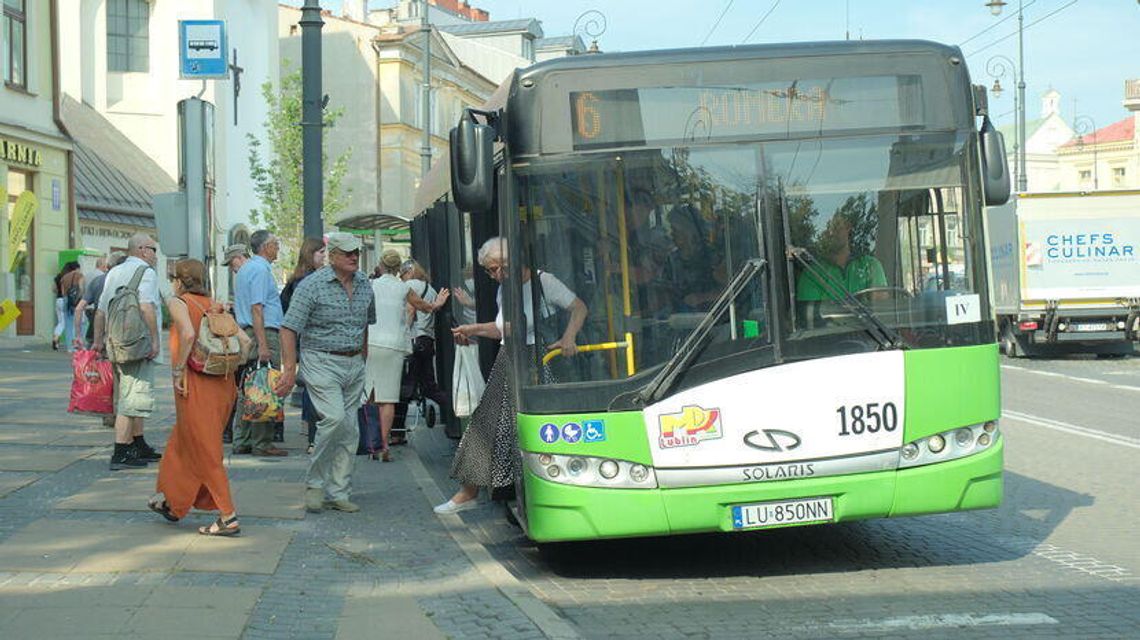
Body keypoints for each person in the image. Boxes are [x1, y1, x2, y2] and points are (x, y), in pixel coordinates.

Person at [436, 237, 586, 514]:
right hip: (511, 357)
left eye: (499, 268)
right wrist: (474, 331)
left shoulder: (544, 281)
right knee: (490, 423)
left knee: (502, 425)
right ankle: (474, 490)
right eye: (491, 270)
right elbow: (504, 329)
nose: (496, 275)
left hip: (539, 358)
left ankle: (474, 492)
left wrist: (568, 337)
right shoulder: (504, 289)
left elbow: (579, 307)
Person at [147, 259, 251, 536]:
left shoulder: (179, 302)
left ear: (179, 280)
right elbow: (247, 343)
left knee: (204, 450)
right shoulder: (213, 304)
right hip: (223, 385)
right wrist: (227, 364)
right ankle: (173, 501)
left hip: (194, 385)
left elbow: (188, 333)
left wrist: (179, 370)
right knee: (184, 441)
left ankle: (227, 516)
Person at [275, 232, 376, 514]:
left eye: (356, 252)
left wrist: (363, 358)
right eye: (347, 253)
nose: (354, 257)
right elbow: (288, 328)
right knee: (333, 418)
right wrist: (290, 369)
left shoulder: (366, 284)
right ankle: (315, 484)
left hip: (354, 362)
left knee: (349, 429)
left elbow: (367, 323)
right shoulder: (312, 286)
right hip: (320, 360)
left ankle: (338, 491)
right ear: (333, 257)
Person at [365, 250, 449, 461]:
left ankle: (371, 443)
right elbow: (425, 308)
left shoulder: (371, 286)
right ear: (398, 268)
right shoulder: (403, 288)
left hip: (371, 343)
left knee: (370, 395)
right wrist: (437, 304)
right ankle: (384, 446)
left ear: (380, 266)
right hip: (394, 346)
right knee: (388, 398)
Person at [94, 233, 163, 470]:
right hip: (137, 342)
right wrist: (155, 340)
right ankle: (121, 451)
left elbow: (101, 310)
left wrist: (98, 341)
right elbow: (146, 307)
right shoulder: (146, 272)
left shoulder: (114, 272)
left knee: (132, 394)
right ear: (143, 250)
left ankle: (138, 443)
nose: (156, 254)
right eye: (154, 249)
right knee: (132, 398)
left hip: (116, 342)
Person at [233, 230, 288, 457]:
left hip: (248, 332)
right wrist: (264, 344)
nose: (278, 248)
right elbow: (258, 308)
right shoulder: (260, 270)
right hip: (262, 332)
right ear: (265, 247)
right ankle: (262, 442)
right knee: (264, 385)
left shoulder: (246, 268)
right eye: (275, 244)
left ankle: (243, 439)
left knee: (248, 386)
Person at [795, 214, 888, 323]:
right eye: (827, 228)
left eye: (836, 226)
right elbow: (812, 321)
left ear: (848, 227)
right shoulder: (811, 274)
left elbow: (881, 312)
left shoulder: (870, 266)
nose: (831, 232)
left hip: (872, 338)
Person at [280, 237, 326, 455]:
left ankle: (311, 433)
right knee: (312, 387)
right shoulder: (307, 281)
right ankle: (312, 436)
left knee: (310, 386)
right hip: (308, 341)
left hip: (304, 341)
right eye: (321, 253)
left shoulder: (297, 279)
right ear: (310, 255)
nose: (324, 258)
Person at [397, 258, 452, 437]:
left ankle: (397, 432)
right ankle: (454, 411)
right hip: (427, 341)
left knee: (405, 388)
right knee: (429, 386)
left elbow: (410, 311)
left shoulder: (409, 285)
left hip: (413, 340)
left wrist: (402, 332)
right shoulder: (431, 288)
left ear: (408, 272)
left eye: (402, 274)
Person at [220, 244, 250, 445]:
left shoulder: (244, 275)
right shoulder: (251, 274)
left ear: (239, 258)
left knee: (237, 384)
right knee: (242, 384)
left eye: (231, 263)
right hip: (246, 332)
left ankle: (231, 430)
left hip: (244, 334)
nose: (232, 268)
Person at [72, 254, 116, 350]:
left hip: (92, 315)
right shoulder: (108, 279)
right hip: (114, 332)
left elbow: (79, 307)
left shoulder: (88, 276)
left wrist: (78, 335)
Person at [54, 262, 83, 351]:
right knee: (76, 323)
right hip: (75, 301)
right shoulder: (79, 275)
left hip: (63, 300)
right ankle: (75, 345)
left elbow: (60, 292)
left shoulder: (62, 277)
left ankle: (68, 346)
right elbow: (81, 288)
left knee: (65, 323)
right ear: (77, 268)